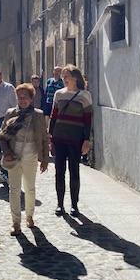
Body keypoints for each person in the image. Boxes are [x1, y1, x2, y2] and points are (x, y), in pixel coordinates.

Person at [0, 83, 49, 235]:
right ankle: (15, 222)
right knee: (14, 190)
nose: (22, 100)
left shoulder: (38, 115)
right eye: (19, 97)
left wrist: (45, 158)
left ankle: (30, 216)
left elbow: (45, 138)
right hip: (13, 156)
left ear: (31, 98)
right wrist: (6, 152)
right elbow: (1, 136)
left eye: (25, 97)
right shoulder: (10, 113)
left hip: (31, 156)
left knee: (30, 188)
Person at [49, 64, 92, 217]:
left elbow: (88, 120)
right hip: (59, 138)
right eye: (63, 77)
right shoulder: (59, 94)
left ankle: (74, 205)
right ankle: (60, 204)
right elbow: (54, 117)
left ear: (75, 78)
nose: (64, 79)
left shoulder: (85, 95)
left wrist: (87, 140)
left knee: (74, 172)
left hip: (76, 139)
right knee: (59, 172)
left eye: (66, 76)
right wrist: (50, 137)